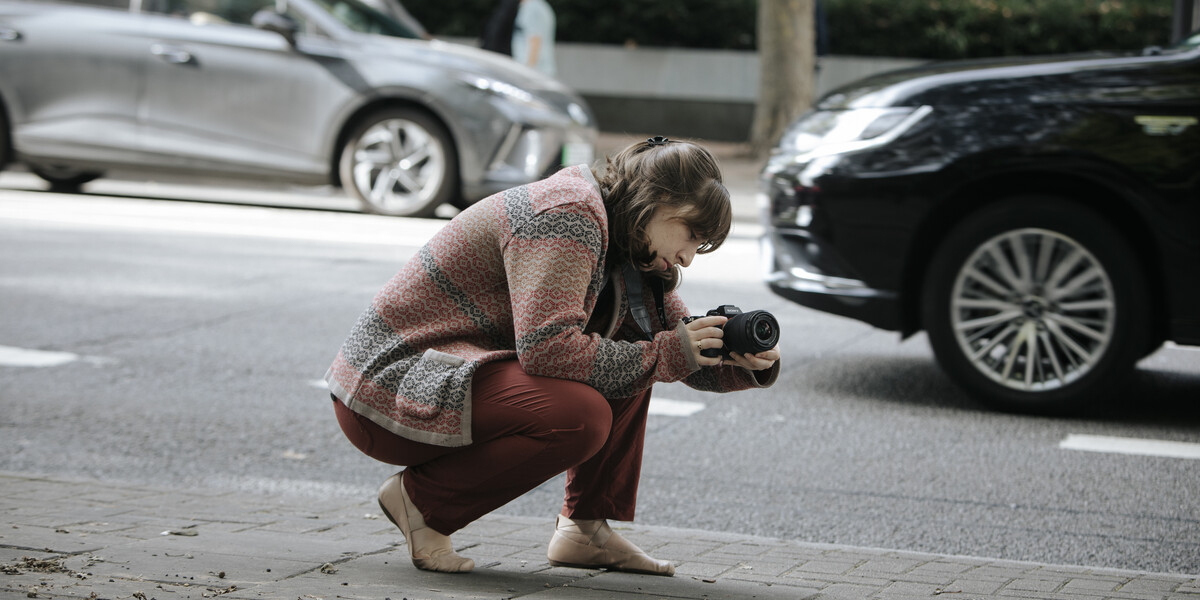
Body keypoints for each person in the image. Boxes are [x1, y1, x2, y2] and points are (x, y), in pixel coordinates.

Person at [325, 136, 781, 576]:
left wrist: (734, 360)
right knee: (584, 411)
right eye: (690, 234)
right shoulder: (568, 215)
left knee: (640, 358)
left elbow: (674, 348)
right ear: (656, 201)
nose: (686, 258)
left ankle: (584, 531)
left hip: (447, 378)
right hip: (386, 390)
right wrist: (669, 353)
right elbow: (547, 351)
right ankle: (422, 504)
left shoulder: (631, 241)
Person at [511, 0, 556, 76]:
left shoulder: (531, 8)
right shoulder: (540, 6)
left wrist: (528, 72)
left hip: (535, 71)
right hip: (539, 70)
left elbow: (535, 40)